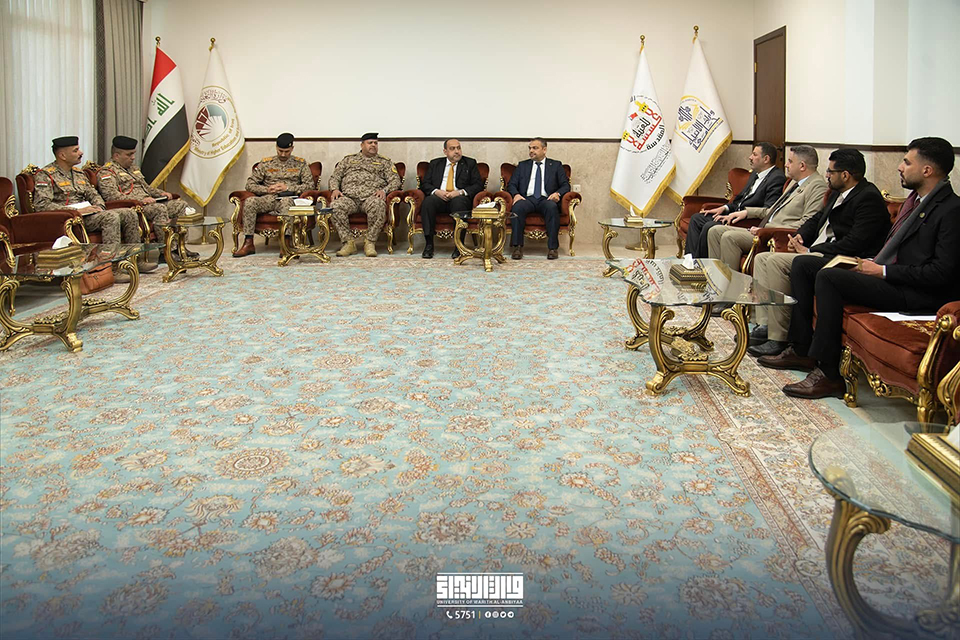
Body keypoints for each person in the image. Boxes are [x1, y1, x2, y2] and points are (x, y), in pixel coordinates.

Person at [759, 137, 960, 399]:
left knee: (830, 277)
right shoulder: (917, 201)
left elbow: (941, 273)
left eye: (907, 162)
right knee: (805, 264)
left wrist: (882, 271)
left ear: (927, 170)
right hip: (890, 274)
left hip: (915, 292)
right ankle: (801, 349)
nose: (899, 167)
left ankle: (829, 374)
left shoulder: (951, 210)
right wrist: (873, 264)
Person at [749, 148, 890, 358]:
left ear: (845, 175)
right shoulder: (837, 193)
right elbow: (816, 219)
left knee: (777, 262)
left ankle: (779, 337)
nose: (826, 175)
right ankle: (766, 325)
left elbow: (854, 243)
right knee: (762, 259)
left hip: (843, 258)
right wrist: (800, 236)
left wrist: (810, 250)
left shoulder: (868, 198)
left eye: (830, 171)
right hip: (821, 250)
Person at [706, 145, 828, 271]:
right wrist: (746, 212)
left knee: (729, 237)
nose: (786, 165)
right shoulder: (794, 182)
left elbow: (806, 224)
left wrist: (768, 231)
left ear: (802, 166)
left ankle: (729, 280)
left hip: (776, 235)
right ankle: (714, 278)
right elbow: (772, 210)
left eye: (790, 161)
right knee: (715, 231)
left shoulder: (817, 187)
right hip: (764, 229)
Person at [96, 135, 197, 260]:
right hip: (134, 207)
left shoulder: (133, 169)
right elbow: (111, 196)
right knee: (159, 209)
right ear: (116, 156)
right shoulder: (107, 172)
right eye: (129, 154)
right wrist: (140, 201)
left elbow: (147, 188)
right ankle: (166, 251)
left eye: (133, 154)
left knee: (180, 205)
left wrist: (161, 193)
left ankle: (180, 247)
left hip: (150, 202)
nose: (133, 157)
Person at [33, 136, 142, 247]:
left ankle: (134, 254)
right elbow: (42, 205)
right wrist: (76, 211)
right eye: (75, 150)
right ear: (62, 156)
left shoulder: (79, 173)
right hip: (68, 218)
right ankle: (111, 255)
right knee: (111, 217)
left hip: (88, 215)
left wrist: (99, 206)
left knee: (130, 213)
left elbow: (93, 194)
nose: (81, 153)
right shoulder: (45, 175)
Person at [686, 142, 786, 257]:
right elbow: (739, 200)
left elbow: (768, 210)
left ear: (766, 159)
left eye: (754, 154)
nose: (750, 157)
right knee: (697, 219)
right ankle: (690, 261)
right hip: (733, 214)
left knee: (709, 226)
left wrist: (741, 214)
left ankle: (701, 263)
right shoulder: (755, 174)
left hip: (746, 220)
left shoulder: (776, 178)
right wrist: (724, 208)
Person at [233, 133, 314, 258]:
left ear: (292, 149)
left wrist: (288, 188)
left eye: (286, 151)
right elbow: (250, 184)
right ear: (276, 147)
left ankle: (285, 244)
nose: (283, 154)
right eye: (280, 151)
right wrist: (266, 189)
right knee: (250, 202)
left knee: (286, 204)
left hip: (288, 198)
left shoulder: (300, 164)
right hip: (269, 198)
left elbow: (310, 186)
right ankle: (248, 243)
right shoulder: (266, 163)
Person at [329, 132, 402, 258]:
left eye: (375, 143)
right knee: (335, 206)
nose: (373, 145)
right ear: (362, 145)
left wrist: (384, 191)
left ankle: (370, 243)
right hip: (349, 198)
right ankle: (348, 243)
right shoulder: (348, 160)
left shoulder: (384, 162)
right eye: (370, 143)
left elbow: (396, 181)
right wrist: (334, 189)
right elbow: (335, 177)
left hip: (371, 198)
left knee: (378, 205)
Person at [418, 139, 483, 259]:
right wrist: (437, 192)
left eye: (458, 148)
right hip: (439, 197)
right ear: (445, 151)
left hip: (459, 198)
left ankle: (459, 246)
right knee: (428, 202)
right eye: (452, 149)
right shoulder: (435, 164)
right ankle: (429, 244)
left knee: (459, 203)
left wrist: (459, 192)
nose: (457, 151)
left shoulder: (470, 163)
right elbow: (425, 184)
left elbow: (478, 185)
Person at [506, 137, 570, 260]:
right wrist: (516, 195)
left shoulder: (555, 165)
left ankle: (552, 248)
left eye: (535, 148)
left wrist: (557, 194)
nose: (531, 151)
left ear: (544, 150)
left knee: (552, 207)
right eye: (530, 148)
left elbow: (565, 185)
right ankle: (517, 247)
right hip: (527, 199)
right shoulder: (522, 165)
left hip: (546, 199)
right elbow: (512, 184)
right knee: (518, 208)